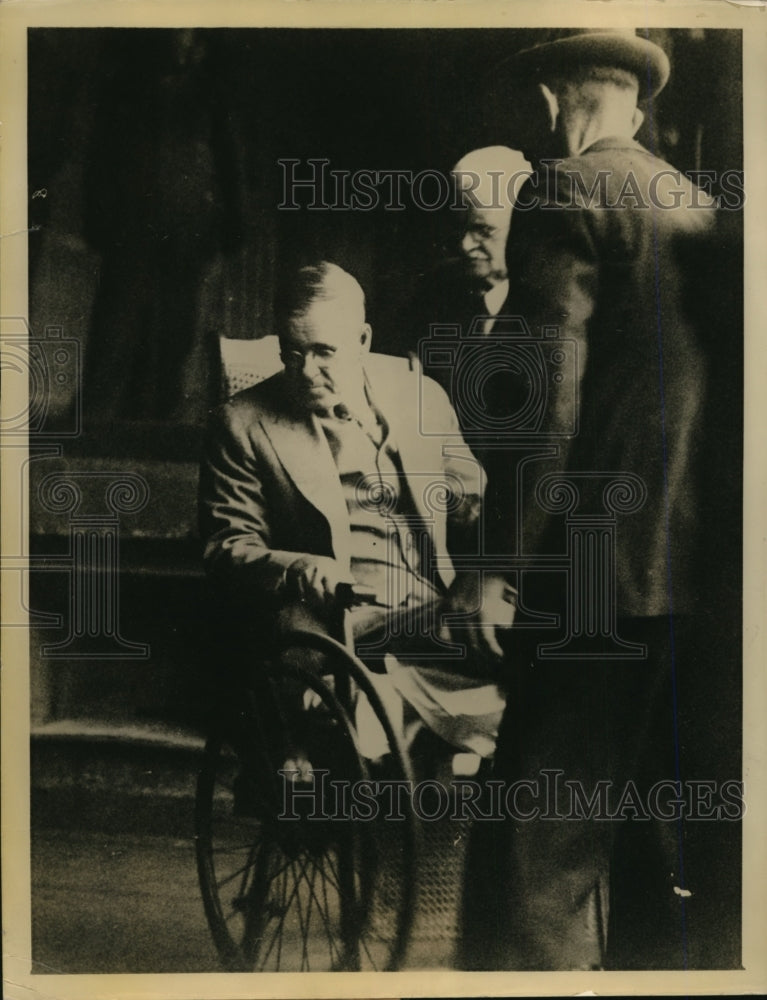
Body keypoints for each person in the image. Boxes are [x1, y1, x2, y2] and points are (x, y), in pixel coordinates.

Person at [459, 29, 740, 970]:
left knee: (535, 851)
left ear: (550, 99)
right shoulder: (698, 210)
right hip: (699, 582)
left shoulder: (563, 190)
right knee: (657, 847)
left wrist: (496, 567)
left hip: (592, 581)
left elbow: (546, 401)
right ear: (637, 100)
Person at [199, 261, 514, 764]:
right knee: (504, 643)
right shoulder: (241, 423)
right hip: (342, 619)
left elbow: (474, 499)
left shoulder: (418, 394)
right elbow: (227, 547)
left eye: (325, 352)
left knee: (533, 627)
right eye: (291, 353)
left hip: (433, 606)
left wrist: (469, 508)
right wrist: (301, 567)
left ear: (363, 339)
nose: (306, 372)